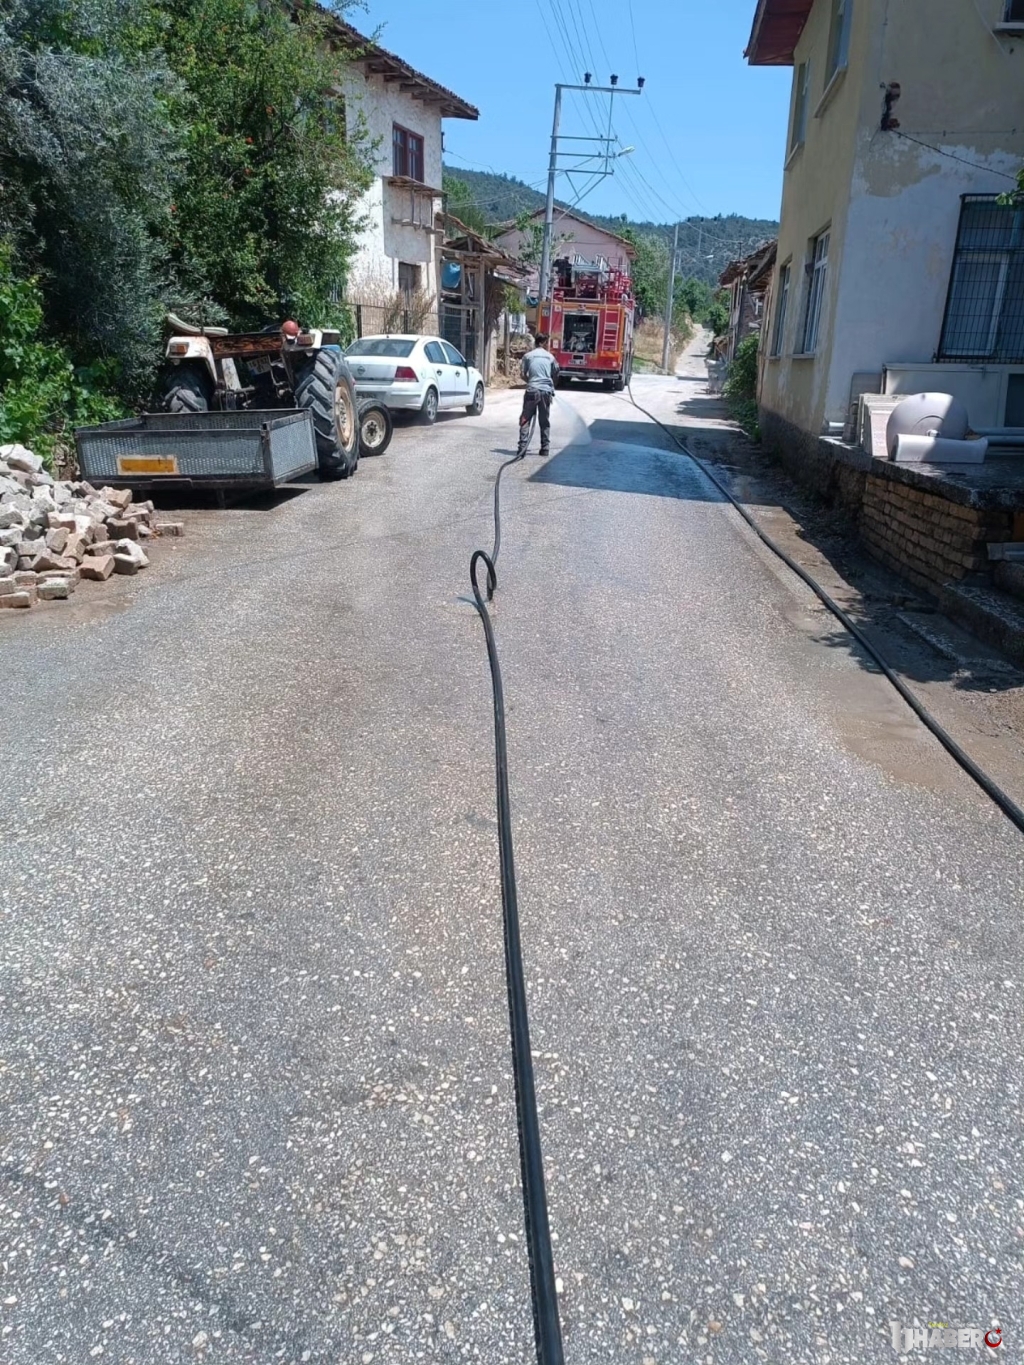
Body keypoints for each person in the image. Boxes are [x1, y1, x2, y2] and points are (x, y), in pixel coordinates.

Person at [518, 333, 560, 457]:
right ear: (543, 343)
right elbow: (556, 373)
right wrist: (551, 386)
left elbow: (522, 374)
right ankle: (545, 448)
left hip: (532, 391)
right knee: (544, 421)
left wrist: (531, 382)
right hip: (546, 392)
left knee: (525, 419)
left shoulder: (527, 356)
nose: (547, 345)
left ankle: (522, 449)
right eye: (547, 343)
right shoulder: (550, 357)